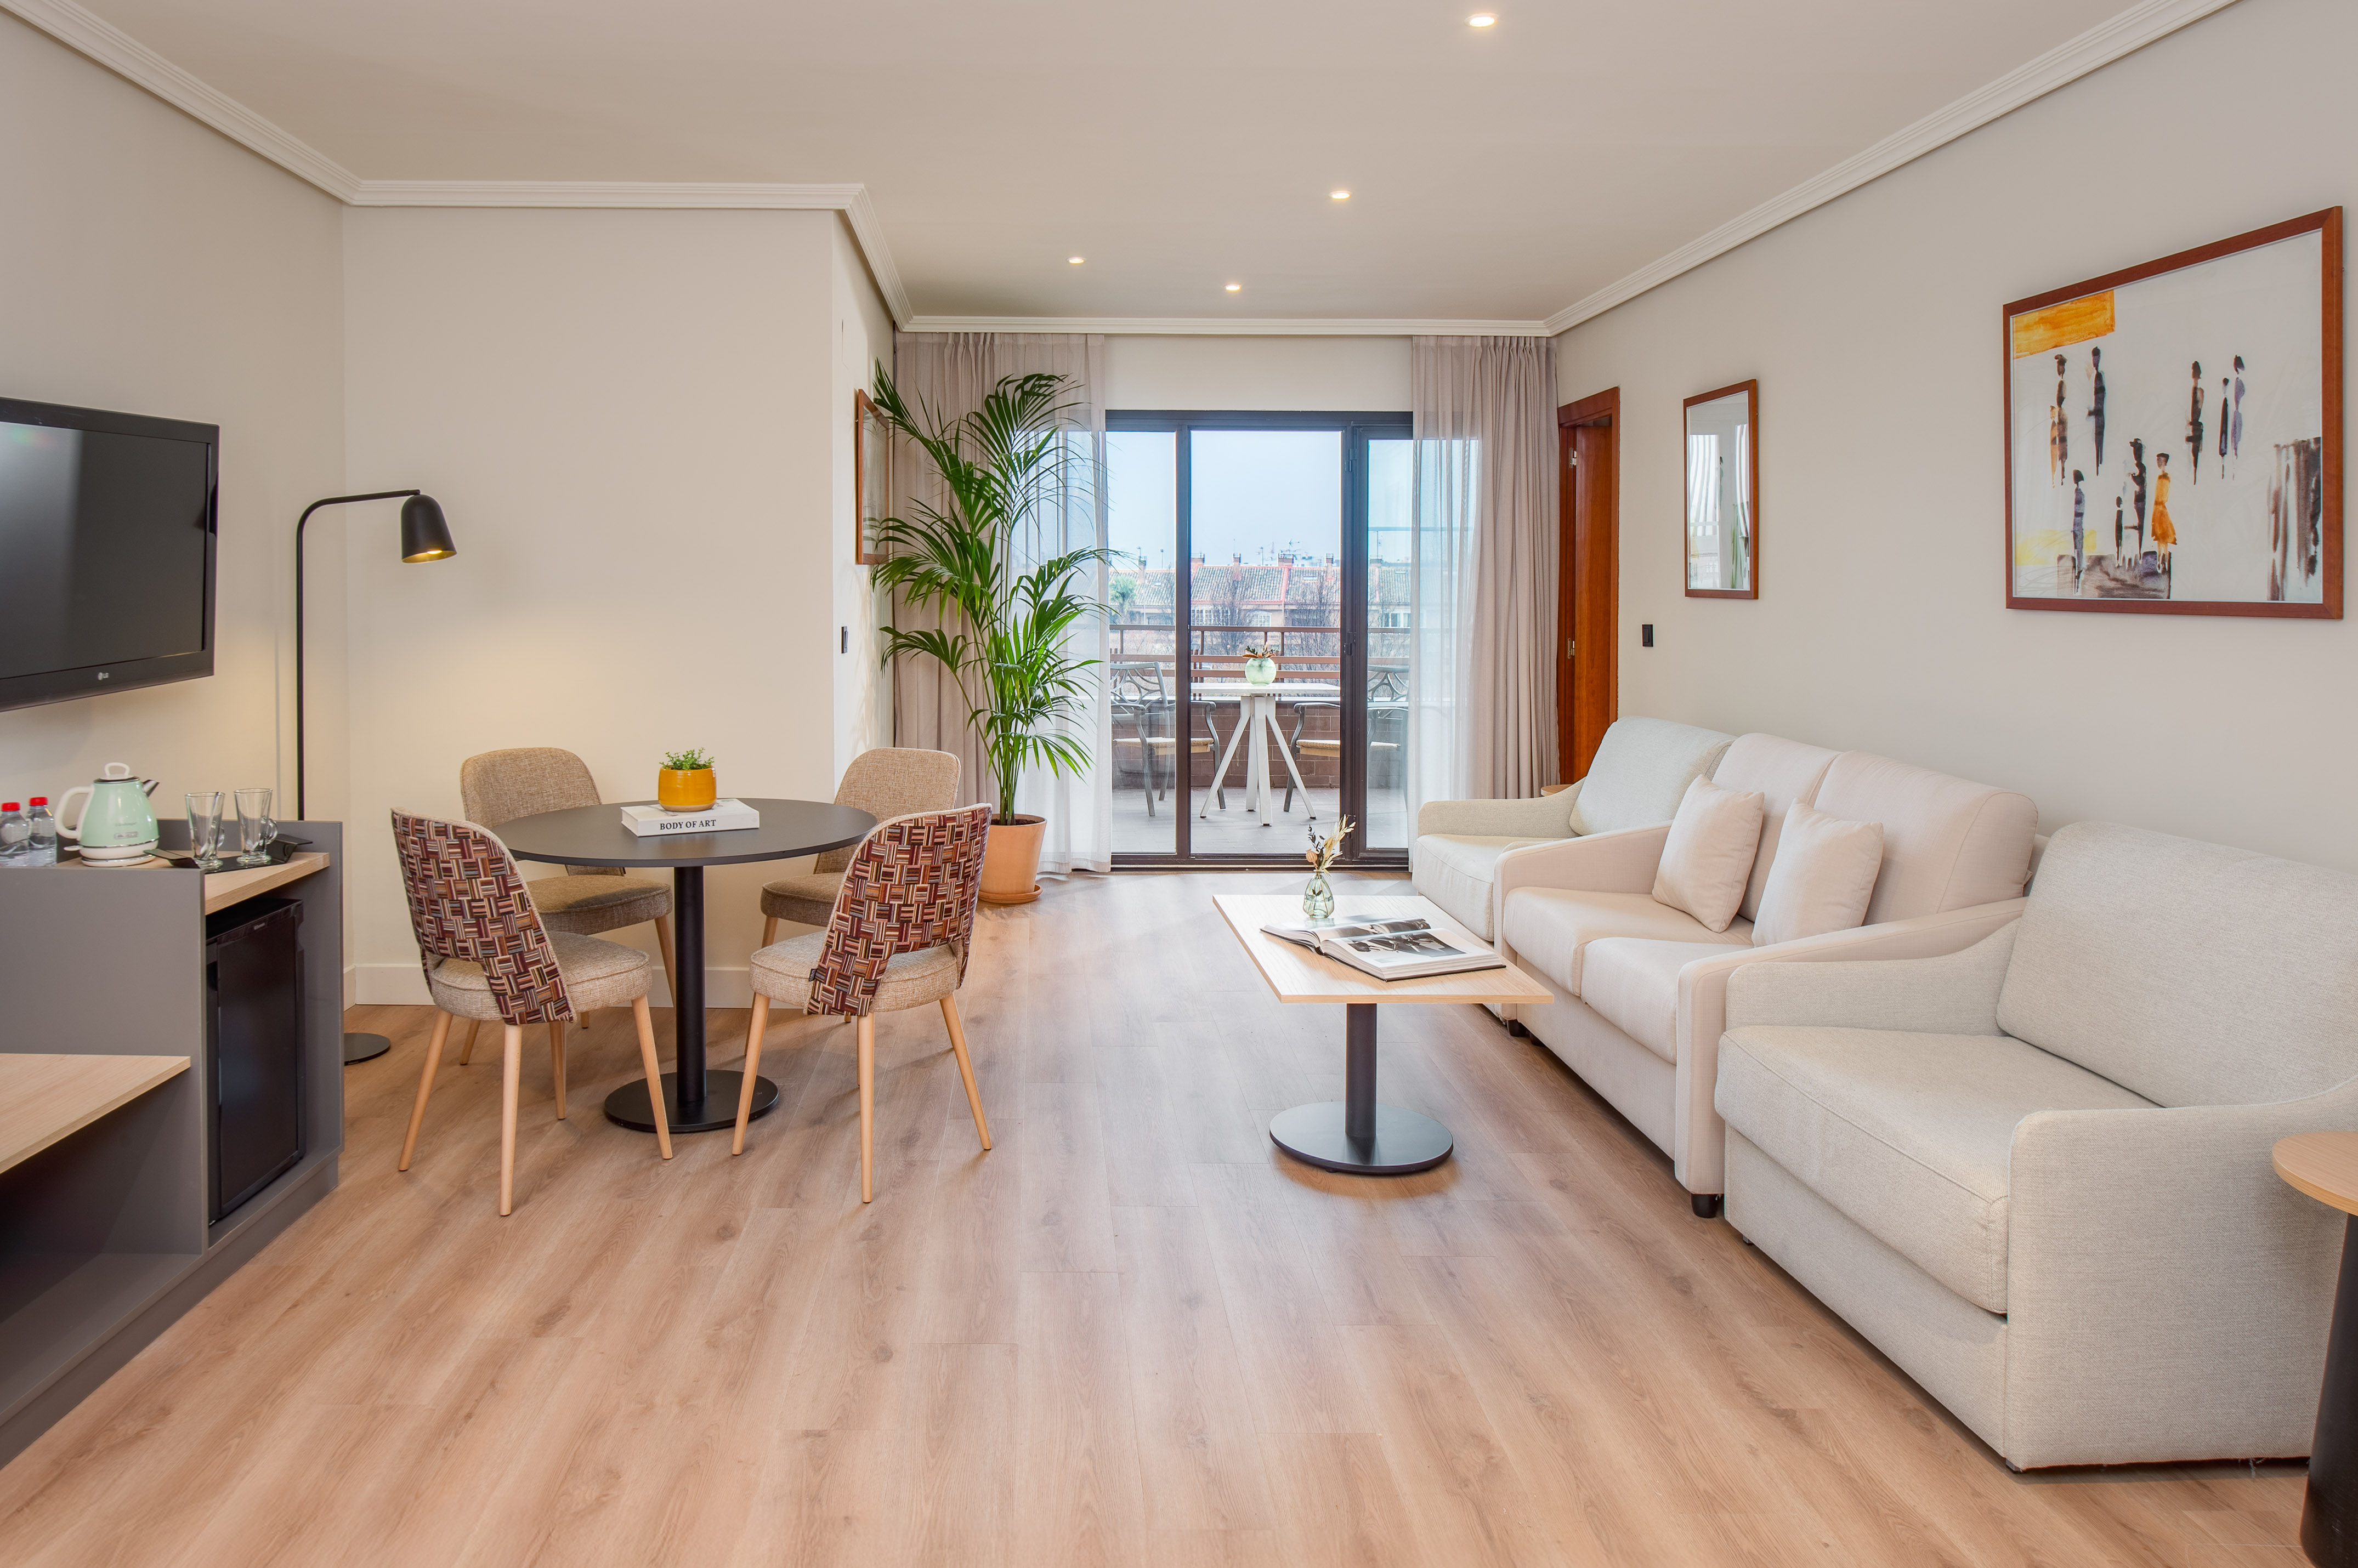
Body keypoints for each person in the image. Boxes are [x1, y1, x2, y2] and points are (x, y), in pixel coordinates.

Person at [2152, 450, 2176, 566]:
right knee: (2159, 535)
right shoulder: (2160, 476)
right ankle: (2160, 559)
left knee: (2163, 535)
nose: (2158, 463)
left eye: (2160, 461)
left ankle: (2164, 559)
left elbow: (2164, 494)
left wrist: (2160, 503)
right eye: (2158, 461)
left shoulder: (2165, 477)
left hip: (2161, 508)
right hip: (2157, 508)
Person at [2087, 346, 2107, 473]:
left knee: (2099, 440)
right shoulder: (2098, 377)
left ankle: (2099, 463)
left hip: (2099, 418)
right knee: (2098, 441)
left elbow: (2100, 402)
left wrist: (2093, 412)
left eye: (2095, 359)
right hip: (2098, 417)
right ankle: (2098, 463)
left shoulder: (2099, 377)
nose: (2094, 362)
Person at [2187, 362, 2205, 484]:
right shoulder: (2196, 390)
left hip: (2196, 425)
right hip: (2194, 426)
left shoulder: (2199, 391)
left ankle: (2195, 475)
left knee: (2195, 453)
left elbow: (2199, 406)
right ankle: (2194, 475)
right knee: (2194, 453)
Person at [2070, 469, 2087, 581]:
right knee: (2077, 546)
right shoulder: (2078, 492)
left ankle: (2079, 568)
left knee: (2078, 547)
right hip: (2077, 524)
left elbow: (2079, 509)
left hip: (2078, 523)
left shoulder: (2079, 493)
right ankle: (2078, 568)